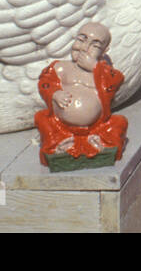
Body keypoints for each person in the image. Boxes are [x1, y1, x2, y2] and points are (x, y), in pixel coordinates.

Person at [34, 21, 127, 164]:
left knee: (119, 122)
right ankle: (59, 145)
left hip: (97, 127)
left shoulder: (102, 72)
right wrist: (55, 94)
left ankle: (99, 144)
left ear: (104, 51)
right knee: (41, 118)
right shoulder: (60, 67)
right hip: (61, 126)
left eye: (95, 45)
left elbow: (117, 79)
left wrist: (95, 68)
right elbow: (45, 82)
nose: (85, 48)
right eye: (81, 40)